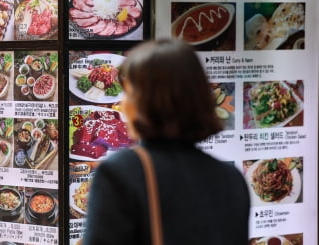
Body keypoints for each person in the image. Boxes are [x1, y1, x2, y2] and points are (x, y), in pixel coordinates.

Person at [83, 39, 250, 245]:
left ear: (148, 101)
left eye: (129, 93)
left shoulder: (121, 173)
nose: (123, 105)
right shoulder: (232, 179)